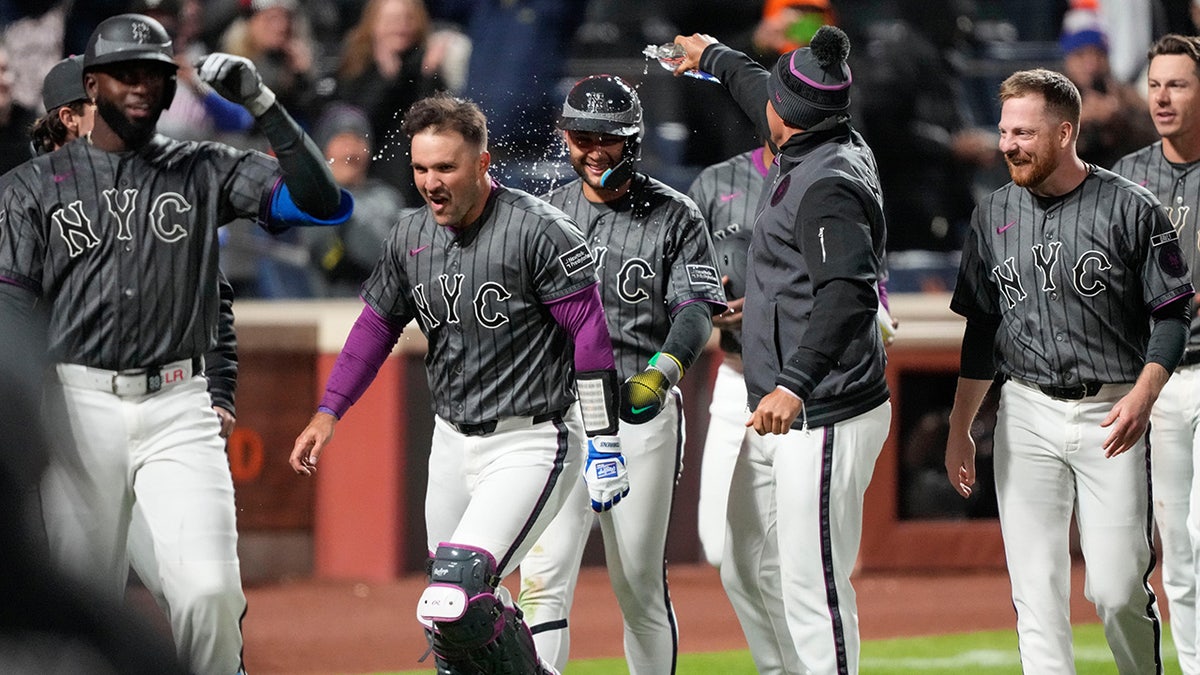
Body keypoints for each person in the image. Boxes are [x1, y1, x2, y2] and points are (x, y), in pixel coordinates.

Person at [0, 13, 353, 674]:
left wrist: (263, 103)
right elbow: (10, 307)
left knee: (210, 592)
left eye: (155, 74)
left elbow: (324, 203)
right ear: (93, 85)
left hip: (178, 403)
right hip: (77, 403)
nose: (141, 86)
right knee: (81, 602)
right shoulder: (26, 190)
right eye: (125, 74)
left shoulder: (202, 166)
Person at [288, 91, 628, 675]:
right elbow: (375, 327)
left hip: (532, 439)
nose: (430, 181)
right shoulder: (408, 235)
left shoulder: (540, 230)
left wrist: (604, 439)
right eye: (421, 168)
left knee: (458, 588)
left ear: (482, 162)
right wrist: (328, 411)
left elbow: (590, 336)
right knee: (448, 618)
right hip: (451, 441)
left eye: (445, 167)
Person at [944, 67, 1192, 673]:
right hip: (1024, 411)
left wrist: (1144, 395)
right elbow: (982, 330)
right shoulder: (993, 213)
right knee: (1035, 592)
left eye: (1024, 133)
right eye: (1004, 131)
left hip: (1112, 411)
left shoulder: (1132, 207)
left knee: (1115, 590)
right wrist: (959, 428)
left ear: (1065, 133)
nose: (1008, 145)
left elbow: (1173, 314)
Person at [673, 25, 892, 675]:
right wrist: (711, 55)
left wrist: (793, 382)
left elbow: (848, 297)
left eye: (772, 95)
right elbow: (757, 87)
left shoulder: (827, 182)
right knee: (748, 559)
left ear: (787, 118)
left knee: (812, 586)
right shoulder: (823, 136)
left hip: (820, 409)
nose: (759, 99)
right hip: (790, 400)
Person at [517, 74, 725, 673]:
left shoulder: (675, 213)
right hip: (559, 413)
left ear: (631, 140)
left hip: (638, 409)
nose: (593, 150)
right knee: (543, 578)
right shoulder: (542, 213)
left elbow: (694, 311)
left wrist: (663, 371)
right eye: (582, 137)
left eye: (606, 138)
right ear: (565, 137)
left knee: (637, 584)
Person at [1111, 33, 1200, 674]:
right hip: (1163, 377)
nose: (1163, 97)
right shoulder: (1130, 177)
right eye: (1156, 84)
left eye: (1180, 84)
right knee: (1178, 546)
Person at [853, 0, 1000, 253]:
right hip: (906, 206)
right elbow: (880, 126)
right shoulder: (899, 53)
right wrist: (950, 147)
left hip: (943, 202)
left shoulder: (940, 54)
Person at [334, 0, 447, 204]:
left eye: (408, 18)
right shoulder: (357, 67)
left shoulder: (426, 67)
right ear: (373, 24)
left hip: (416, 185)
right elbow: (357, 125)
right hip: (368, 186)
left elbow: (434, 125)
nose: (401, 26)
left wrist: (429, 76)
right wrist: (387, 80)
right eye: (392, 19)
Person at [303, 102, 409, 296]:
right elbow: (328, 259)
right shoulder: (315, 201)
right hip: (335, 314)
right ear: (324, 149)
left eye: (359, 141)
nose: (351, 151)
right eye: (343, 140)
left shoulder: (388, 198)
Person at [1059, 5, 1158, 169]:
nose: (1091, 65)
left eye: (1098, 54)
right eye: (1081, 56)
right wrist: (1078, 122)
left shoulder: (1124, 94)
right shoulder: (1053, 97)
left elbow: (1154, 142)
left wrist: (1118, 119)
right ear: (1068, 58)